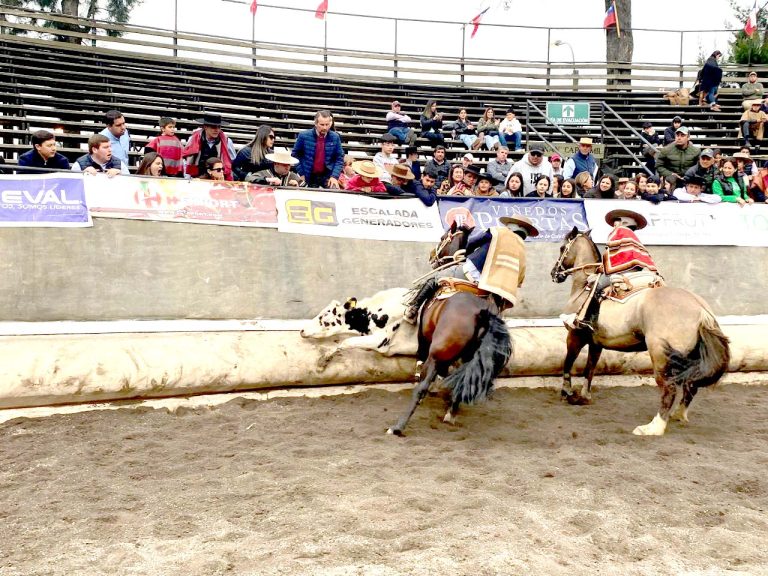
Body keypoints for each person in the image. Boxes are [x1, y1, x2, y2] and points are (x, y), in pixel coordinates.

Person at [403, 215, 540, 323]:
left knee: (435, 278)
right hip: (495, 290)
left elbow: (473, 241)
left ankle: (413, 309)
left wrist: (467, 254)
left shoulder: (498, 232)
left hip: (473, 274)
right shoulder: (522, 249)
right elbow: (520, 279)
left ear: (511, 225)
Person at [560, 209, 659, 331]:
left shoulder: (619, 232)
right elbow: (622, 256)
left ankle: (588, 319)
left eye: (616, 221)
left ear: (623, 222)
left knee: (594, 286)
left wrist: (603, 269)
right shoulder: (633, 236)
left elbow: (612, 256)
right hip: (636, 271)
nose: (614, 225)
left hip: (622, 271)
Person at [291, 110, 345, 189]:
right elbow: (295, 155)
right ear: (316, 123)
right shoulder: (303, 135)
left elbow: (339, 158)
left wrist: (334, 176)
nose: (325, 127)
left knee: (335, 190)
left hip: (327, 175)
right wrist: (301, 173)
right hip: (308, 175)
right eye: (322, 125)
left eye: (327, 124)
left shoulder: (335, 137)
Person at [182, 111, 237, 180]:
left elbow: (232, 162)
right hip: (197, 178)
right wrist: (188, 179)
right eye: (213, 127)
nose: (217, 130)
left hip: (218, 178)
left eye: (219, 127)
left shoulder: (227, 142)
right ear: (205, 127)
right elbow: (187, 160)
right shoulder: (193, 139)